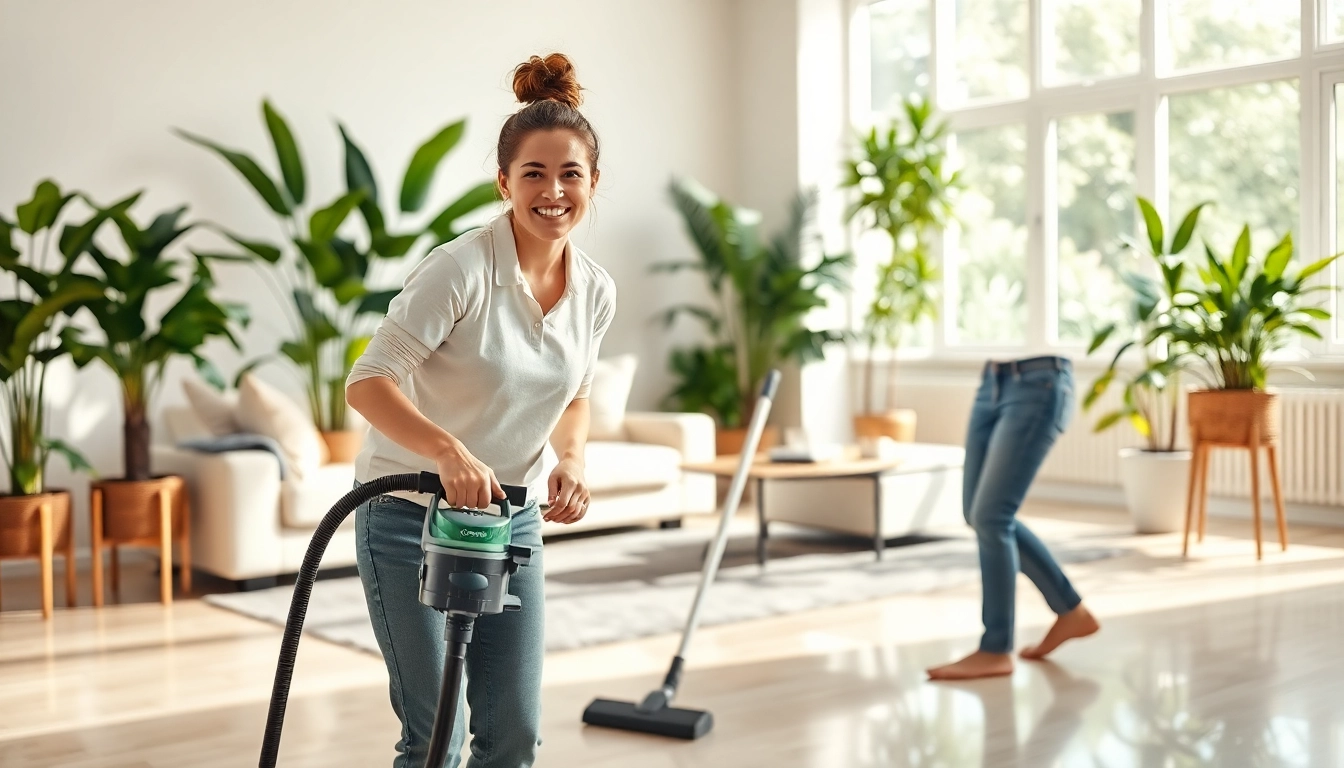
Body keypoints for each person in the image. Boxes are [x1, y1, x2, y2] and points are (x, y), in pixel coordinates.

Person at [344, 52, 614, 767]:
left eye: (570, 175)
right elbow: (368, 381)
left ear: (593, 184)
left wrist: (573, 457)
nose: (552, 191)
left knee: (514, 730)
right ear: (504, 183)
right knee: (438, 738)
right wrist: (446, 451)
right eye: (534, 174)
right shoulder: (460, 269)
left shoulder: (595, 291)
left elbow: (576, 393)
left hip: (510, 519)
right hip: (406, 514)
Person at [926, 356, 1100, 681]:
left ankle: (995, 648)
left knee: (992, 516)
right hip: (992, 380)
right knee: (978, 515)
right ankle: (1071, 610)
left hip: (1040, 382)